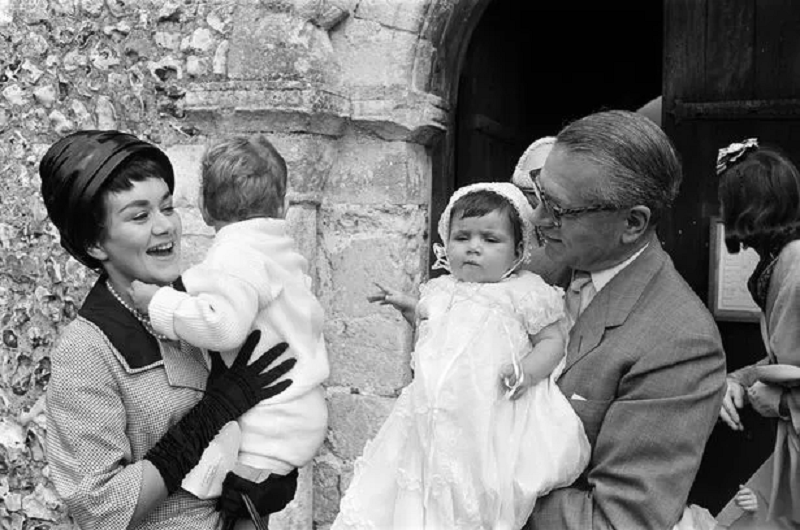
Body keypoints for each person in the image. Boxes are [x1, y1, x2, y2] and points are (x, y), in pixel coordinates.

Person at [40, 130, 298, 530]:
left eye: (167, 207)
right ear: (94, 243)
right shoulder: (86, 351)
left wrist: (265, 483)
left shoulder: (211, 311)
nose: (166, 227)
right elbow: (102, 510)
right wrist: (211, 415)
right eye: (140, 215)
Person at [332, 182, 590, 530]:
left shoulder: (523, 293)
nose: (473, 248)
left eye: (490, 239)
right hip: (430, 417)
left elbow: (552, 340)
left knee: (474, 489)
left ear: (517, 251)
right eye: (462, 237)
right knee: (417, 486)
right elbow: (434, 330)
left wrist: (526, 372)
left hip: (486, 415)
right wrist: (410, 308)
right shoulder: (440, 290)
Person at [518, 110, 727, 529]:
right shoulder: (532, 269)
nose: (538, 219)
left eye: (559, 210)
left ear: (632, 223)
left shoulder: (681, 343)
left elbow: (618, 521)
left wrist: (470, 484)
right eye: (539, 194)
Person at [128, 134, 329, 520]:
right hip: (297, 411)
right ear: (284, 205)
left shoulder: (235, 252)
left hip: (270, 424)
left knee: (241, 511)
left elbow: (225, 327)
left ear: (204, 208)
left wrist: (160, 303)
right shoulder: (280, 249)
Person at [713, 139, 800, 529]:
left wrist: (782, 405)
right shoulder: (782, 263)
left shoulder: (797, 271)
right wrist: (739, 380)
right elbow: (787, 360)